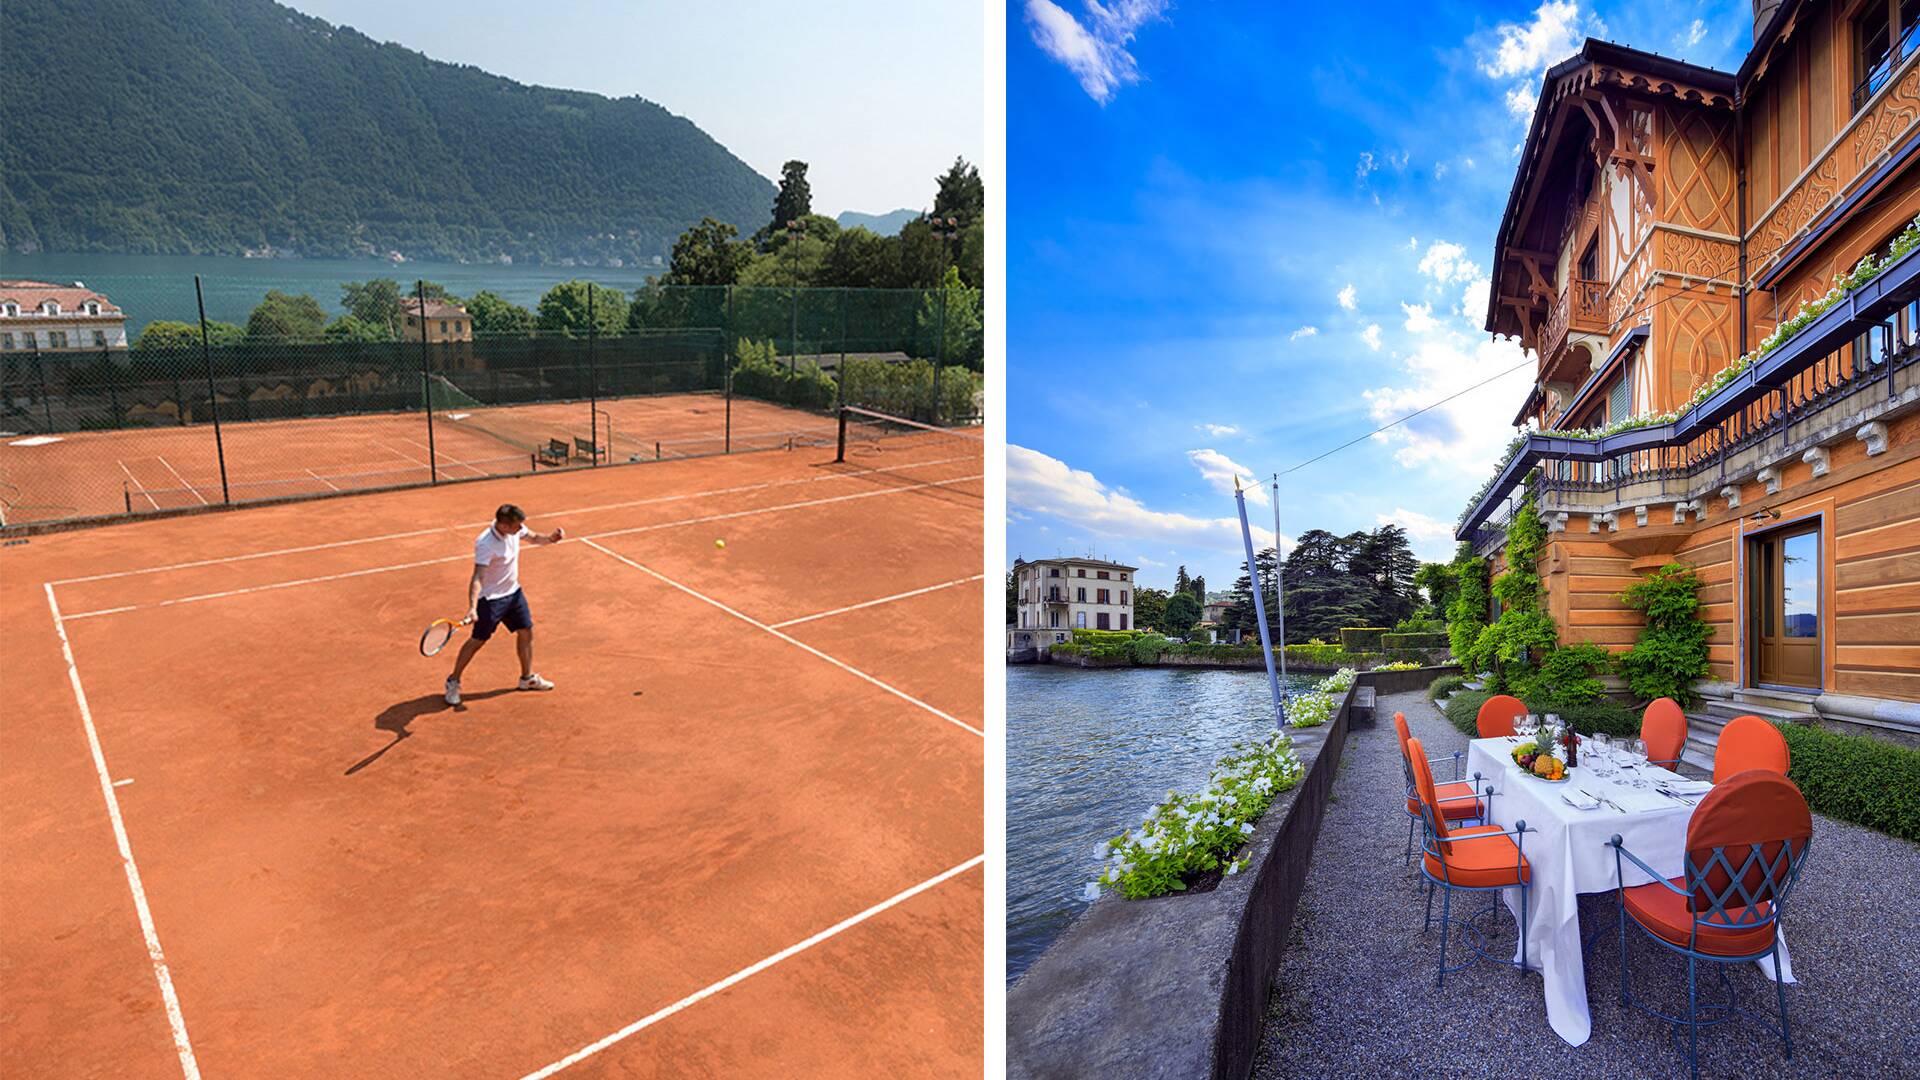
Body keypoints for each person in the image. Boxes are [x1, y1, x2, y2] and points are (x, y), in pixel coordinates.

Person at [445, 503, 562, 705]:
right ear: (504, 525)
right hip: (491, 600)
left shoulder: (515, 530)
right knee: (477, 641)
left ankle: (527, 678)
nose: (520, 529)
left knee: (526, 631)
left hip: (514, 593)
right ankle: (453, 681)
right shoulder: (485, 543)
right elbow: (478, 577)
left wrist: (550, 539)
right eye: (517, 526)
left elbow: (533, 537)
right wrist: (473, 607)